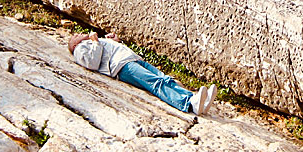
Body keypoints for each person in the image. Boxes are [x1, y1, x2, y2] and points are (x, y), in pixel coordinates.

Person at [68, 32, 216, 115]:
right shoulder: (80, 49)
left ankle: (194, 99)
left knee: (164, 79)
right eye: (75, 36)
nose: (78, 33)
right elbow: (92, 63)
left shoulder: (95, 41)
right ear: (73, 45)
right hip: (122, 66)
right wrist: (95, 42)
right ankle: (188, 104)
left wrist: (115, 42)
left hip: (131, 59)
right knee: (155, 83)